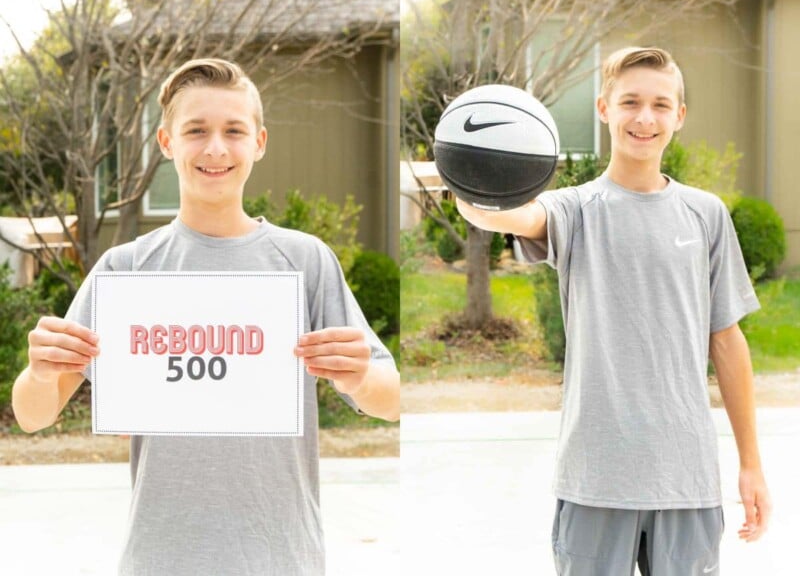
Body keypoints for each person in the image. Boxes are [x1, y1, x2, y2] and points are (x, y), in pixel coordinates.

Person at [11, 58, 399, 575]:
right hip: (160, 559)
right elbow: (33, 415)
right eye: (196, 130)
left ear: (259, 142)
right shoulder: (126, 269)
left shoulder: (305, 262)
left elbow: (390, 399)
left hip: (282, 558)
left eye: (233, 131)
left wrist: (360, 375)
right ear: (167, 142)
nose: (216, 147)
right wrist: (41, 372)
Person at [457, 47, 771, 575]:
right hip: (595, 480)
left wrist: (751, 464)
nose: (644, 118)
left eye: (660, 105)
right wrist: (469, 177)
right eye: (630, 102)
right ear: (604, 108)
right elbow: (510, 216)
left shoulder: (706, 215)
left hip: (686, 480)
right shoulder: (574, 210)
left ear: (679, 116)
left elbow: (728, 341)